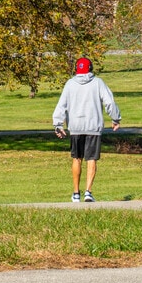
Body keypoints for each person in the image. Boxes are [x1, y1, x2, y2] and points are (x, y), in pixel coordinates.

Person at [52, 57, 121, 203]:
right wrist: (115, 118)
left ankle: (76, 193)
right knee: (91, 159)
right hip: (93, 126)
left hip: (76, 127)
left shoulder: (70, 84)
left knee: (77, 158)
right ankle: (88, 192)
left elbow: (61, 105)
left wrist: (58, 124)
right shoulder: (98, 83)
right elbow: (109, 102)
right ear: (91, 68)